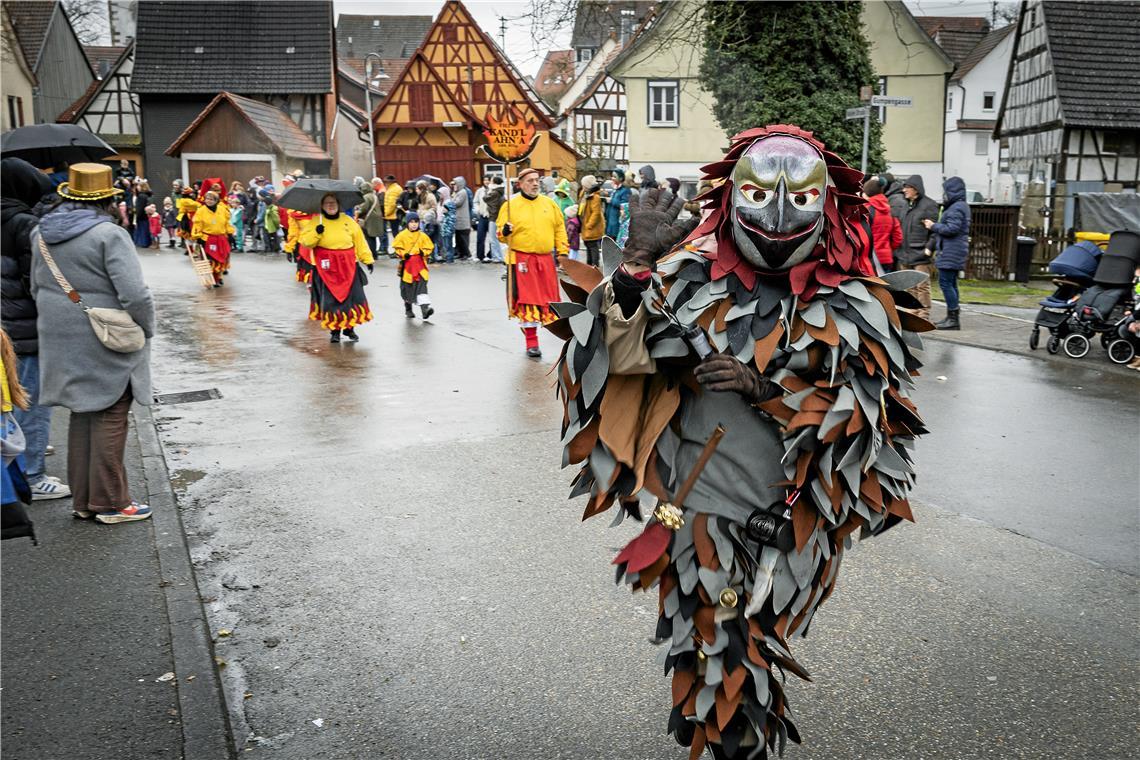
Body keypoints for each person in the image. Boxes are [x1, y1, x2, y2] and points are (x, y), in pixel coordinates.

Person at [549, 125, 926, 760]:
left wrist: (766, 389)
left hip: (790, 516)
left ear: (825, 205)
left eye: (799, 200)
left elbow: (867, 425)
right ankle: (730, 740)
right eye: (760, 197)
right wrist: (635, 274)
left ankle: (726, 726)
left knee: (746, 636)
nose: (777, 218)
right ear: (733, 199)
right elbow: (617, 362)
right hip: (701, 507)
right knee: (715, 639)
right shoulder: (689, 280)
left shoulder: (856, 305)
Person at [30, 162, 155, 524]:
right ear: (107, 199)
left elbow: (36, 287)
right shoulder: (108, 234)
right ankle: (111, 503)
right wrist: (146, 329)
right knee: (111, 413)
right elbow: (135, 295)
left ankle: (84, 500)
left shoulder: (40, 232)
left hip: (59, 335)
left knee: (83, 414)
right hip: (104, 336)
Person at [1, 157, 71, 501]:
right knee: (32, 399)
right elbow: (38, 282)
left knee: (9, 398)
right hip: (26, 328)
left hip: (4, 326)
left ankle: (19, 456)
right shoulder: (23, 222)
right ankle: (32, 474)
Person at [496, 166, 568, 357]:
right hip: (522, 260)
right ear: (520, 184)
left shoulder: (549, 204)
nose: (535, 184)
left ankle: (564, 337)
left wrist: (562, 252)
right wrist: (505, 231)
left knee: (549, 301)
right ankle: (531, 342)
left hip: (545, 259)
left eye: (537, 180)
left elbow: (559, 228)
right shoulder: (510, 206)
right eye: (530, 181)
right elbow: (500, 235)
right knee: (528, 301)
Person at [298, 193, 374, 343]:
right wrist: (316, 233)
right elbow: (306, 242)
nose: (330, 205)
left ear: (339, 205)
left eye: (333, 202)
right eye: (327, 203)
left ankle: (349, 328)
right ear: (322, 206)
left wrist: (367, 259)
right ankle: (335, 330)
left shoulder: (348, 221)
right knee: (331, 299)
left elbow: (360, 241)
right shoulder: (316, 222)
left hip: (348, 265)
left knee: (351, 298)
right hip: (326, 266)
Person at [925, 175, 971, 330]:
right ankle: (952, 317)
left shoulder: (956, 207)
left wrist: (933, 226)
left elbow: (952, 229)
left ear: (953, 191)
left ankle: (953, 319)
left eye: (946, 191)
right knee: (951, 283)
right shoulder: (960, 206)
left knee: (945, 283)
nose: (944, 195)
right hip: (954, 250)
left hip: (951, 251)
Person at [894, 175, 939, 320]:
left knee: (922, 286)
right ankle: (912, 313)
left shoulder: (929, 205)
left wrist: (928, 248)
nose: (904, 190)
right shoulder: (906, 204)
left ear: (916, 189)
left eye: (907, 187)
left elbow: (934, 231)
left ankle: (923, 315)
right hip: (904, 252)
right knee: (909, 285)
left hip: (920, 253)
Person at [391, 212, 435, 320]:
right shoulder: (402, 235)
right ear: (407, 223)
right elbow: (397, 248)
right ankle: (408, 309)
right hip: (407, 267)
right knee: (407, 288)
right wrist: (403, 254)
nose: (414, 224)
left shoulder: (422, 236)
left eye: (416, 222)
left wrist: (423, 252)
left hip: (420, 266)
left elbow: (429, 248)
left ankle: (425, 310)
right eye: (411, 222)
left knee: (422, 287)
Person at [191, 190, 236, 287]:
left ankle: (219, 277)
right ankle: (214, 279)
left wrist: (230, 234)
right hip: (208, 239)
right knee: (211, 260)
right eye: (207, 199)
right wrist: (198, 237)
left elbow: (226, 223)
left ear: (216, 200)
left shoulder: (222, 209)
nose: (209, 201)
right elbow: (197, 225)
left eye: (211, 199)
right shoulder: (201, 211)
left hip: (221, 238)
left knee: (222, 259)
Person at [862, 176, 902, 272]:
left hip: (868, 259)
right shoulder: (889, 210)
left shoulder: (866, 210)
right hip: (886, 259)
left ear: (867, 193)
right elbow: (898, 237)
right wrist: (887, 249)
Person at [577, 175, 605, 267]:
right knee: (588, 245)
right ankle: (589, 265)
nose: (583, 187)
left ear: (588, 186)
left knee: (593, 246)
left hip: (591, 227)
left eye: (584, 185)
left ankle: (594, 265)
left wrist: (589, 225)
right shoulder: (584, 194)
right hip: (585, 224)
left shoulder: (595, 197)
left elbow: (596, 213)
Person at [483, 176, 505, 263]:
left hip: (493, 217)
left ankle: (497, 257)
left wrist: (488, 190)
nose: (489, 183)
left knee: (493, 238)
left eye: (491, 181)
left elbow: (485, 198)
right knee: (495, 238)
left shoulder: (495, 192)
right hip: (497, 216)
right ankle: (498, 256)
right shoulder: (500, 191)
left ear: (495, 183)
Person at [605, 169, 630, 240]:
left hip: (617, 222)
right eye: (612, 176)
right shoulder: (615, 189)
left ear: (621, 178)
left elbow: (625, 206)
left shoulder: (625, 191)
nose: (612, 178)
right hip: (610, 221)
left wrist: (611, 201)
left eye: (615, 177)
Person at [450, 176, 472, 260]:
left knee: (463, 238)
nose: (454, 186)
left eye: (455, 184)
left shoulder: (462, 192)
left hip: (463, 218)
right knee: (458, 237)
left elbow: (457, 203)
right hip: (457, 218)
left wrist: (451, 201)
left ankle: (466, 253)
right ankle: (460, 253)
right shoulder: (456, 192)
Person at [176, 186, 200, 251]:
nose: (192, 194)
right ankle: (191, 250)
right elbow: (197, 205)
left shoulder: (185, 200)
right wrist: (200, 199)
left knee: (190, 234)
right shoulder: (186, 200)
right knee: (190, 233)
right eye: (191, 193)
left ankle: (191, 250)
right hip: (189, 218)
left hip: (190, 217)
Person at [383, 174, 402, 253]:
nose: (385, 184)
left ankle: (399, 250)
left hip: (393, 215)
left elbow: (391, 204)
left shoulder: (393, 190)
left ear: (389, 182)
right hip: (394, 214)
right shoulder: (394, 188)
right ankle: (398, 249)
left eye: (386, 182)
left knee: (395, 233)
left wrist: (386, 213)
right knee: (396, 233)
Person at [132, 178, 152, 248]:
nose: (137, 187)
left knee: (142, 229)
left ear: (142, 187)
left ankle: (143, 243)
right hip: (146, 216)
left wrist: (137, 215)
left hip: (141, 216)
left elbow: (140, 207)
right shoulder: (147, 195)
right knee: (146, 229)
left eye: (138, 186)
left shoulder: (141, 196)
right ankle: (147, 242)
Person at [440, 197, 457, 263]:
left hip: (448, 233)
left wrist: (448, 232)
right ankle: (447, 257)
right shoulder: (445, 216)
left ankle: (450, 258)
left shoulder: (451, 216)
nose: (443, 209)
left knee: (448, 246)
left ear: (449, 209)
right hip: (444, 233)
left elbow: (451, 226)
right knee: (446, 246)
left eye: (445, 208)